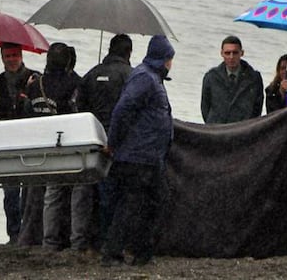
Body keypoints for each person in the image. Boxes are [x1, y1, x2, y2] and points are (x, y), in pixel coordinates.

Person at [100, 35, 175, 267]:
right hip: (137, 156)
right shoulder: (145, 77)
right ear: (164, 58)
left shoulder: (153, 78)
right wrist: (113, 143)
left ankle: (142, 253)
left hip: (149, 156)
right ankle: (112, 253)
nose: (171, 62)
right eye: (170, 58)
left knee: (152, 204)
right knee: (131, 206)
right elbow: (123, 109)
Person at [26, 42, 89, 252]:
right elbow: (78, 110)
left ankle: (49, 241)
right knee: (77, 190)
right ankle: (77, 240)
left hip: (39, 144)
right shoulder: (73, 84)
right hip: (65, 142)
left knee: (51, 195)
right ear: (68, 62)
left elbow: (28, 113)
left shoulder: (35, 85)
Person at [0, 42, 39, 245]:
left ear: (21, 55)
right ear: (2, 58)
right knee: (10, 192)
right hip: (7, 140)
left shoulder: (34, 77)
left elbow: (40, 109)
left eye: (15, 55)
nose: (12, 59)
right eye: (7, 56)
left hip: (29, 138)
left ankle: (27, 233)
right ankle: (13, 234)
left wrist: (27, 96)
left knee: (28, 192)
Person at [77, 33, 133, 249]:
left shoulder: (91, 74)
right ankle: (109, 241)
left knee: (93, 191)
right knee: (115, 193)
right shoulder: (131, 75)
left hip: (93, 140)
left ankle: (89, 239)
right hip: (120, 142)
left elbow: (80, 107)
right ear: (129, 52)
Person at [201, 35, 264, 124]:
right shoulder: (211, 77)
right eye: (227, 53)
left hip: (242, 129)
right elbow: (205, 107)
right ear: (221, 53)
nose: (231, 57)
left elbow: (257, 108)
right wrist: (213, 124)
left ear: (241, 53)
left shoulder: (254, 78)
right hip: (216, 130)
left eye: (235, 53)